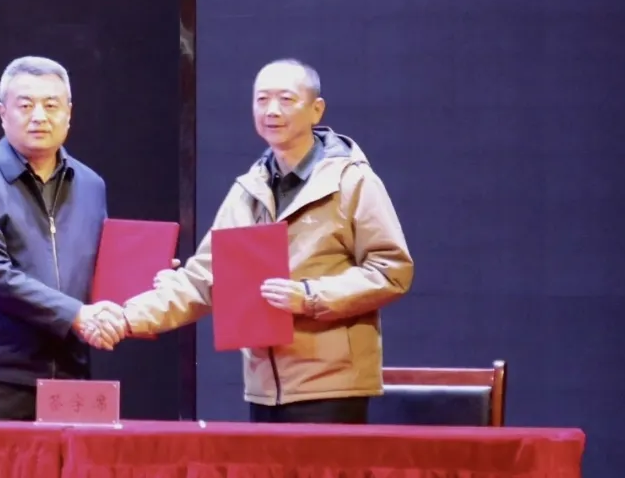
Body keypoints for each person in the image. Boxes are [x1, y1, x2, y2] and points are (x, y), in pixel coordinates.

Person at [113, 58, 414, 424]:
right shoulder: (248, 190)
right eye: (262, 99)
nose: (272, 110)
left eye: (286, 99)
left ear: (316, 110)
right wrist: (125, 317)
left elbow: (391, 271)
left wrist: (310, 296)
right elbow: (203, 280)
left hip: (332, 387)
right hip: (264, 387)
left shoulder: (351, 181)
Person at [0, 55, 125, 421]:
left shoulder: (90, 185)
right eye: (25, 105)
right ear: (2, 113)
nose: (39, 116)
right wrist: (76, 315)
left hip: (71, 380)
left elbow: (100, 271)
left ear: (69, 113)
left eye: (51, 105)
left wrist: (142, 281)